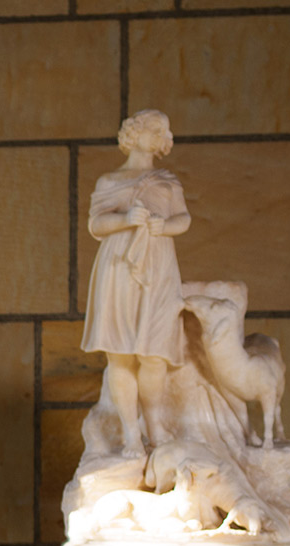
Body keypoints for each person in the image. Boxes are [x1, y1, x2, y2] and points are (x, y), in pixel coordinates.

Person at [82, 110, 191, 456]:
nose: (160, 135)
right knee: (121, 354)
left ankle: (155, 425)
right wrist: (126, 219)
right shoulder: (110, 182)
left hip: (158, 266)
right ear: (135, 133)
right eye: (154, 129)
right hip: (119, 266)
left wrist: (165, 226)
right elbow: (96, 225)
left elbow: (183, 218)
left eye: (164, 131)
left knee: (155, 353)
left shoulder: (167, 182)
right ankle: (130, 433)